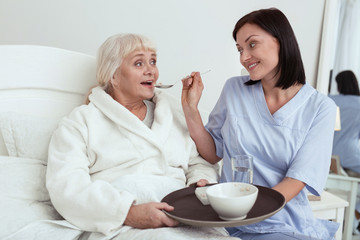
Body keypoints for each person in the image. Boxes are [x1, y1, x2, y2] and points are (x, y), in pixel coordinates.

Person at [46, 33, 234, 240]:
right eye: (139, 63)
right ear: (113, 75)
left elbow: (199, 162)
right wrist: (129, 213)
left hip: (184, 217)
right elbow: (67, 188)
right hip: (123, 225)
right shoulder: (81, 122)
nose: (151, 70)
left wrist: (199, 185)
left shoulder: (173, 113)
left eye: (153, 61)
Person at [181, 8, 339, 240]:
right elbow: (213, 153)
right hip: (224, 219)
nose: (244, 57)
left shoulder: (320, 108)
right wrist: (190, 108)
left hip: (278, 223)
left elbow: (297, 179)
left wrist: (247, 209)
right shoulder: (233, 89)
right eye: (239, 49)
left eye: (252, 45)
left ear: (281, 41)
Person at [329, 70, 360, 234]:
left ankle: (353, 214)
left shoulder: (330, 99)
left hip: (330, 154)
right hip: (351, 154)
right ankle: (356, 212)